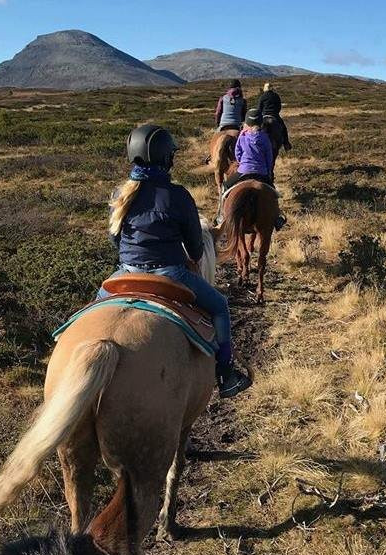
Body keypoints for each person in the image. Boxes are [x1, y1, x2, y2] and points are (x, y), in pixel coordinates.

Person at [98, 124, 252, 399]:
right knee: (219, 307)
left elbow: (114, 241)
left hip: (126, 271)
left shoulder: (120, 194)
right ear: (167, 158)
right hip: (170, 273)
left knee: (91, 315)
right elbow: (195, 248)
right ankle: (226, 375)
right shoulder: (177, 195)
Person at [222, 109, 287, 231]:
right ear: (261, 123)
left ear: (247, 122)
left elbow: (238, 153)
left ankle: (221, 216)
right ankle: (278, 217)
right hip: (261, 172)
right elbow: (269, 157)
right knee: (273, 194)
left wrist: (243, 163)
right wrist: (267, 171)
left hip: (244, 171)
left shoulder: (242, 136)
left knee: (225, 187)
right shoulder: (265, 138)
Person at [257, 81, 292, 151]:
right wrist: (276, 112)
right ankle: (286, 144)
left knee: (256, 128)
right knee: (284, 128)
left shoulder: (262, 96)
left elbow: (259, 108)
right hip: (275, 115)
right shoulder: (276, 96)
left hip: (264, 115)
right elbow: (279, 106)